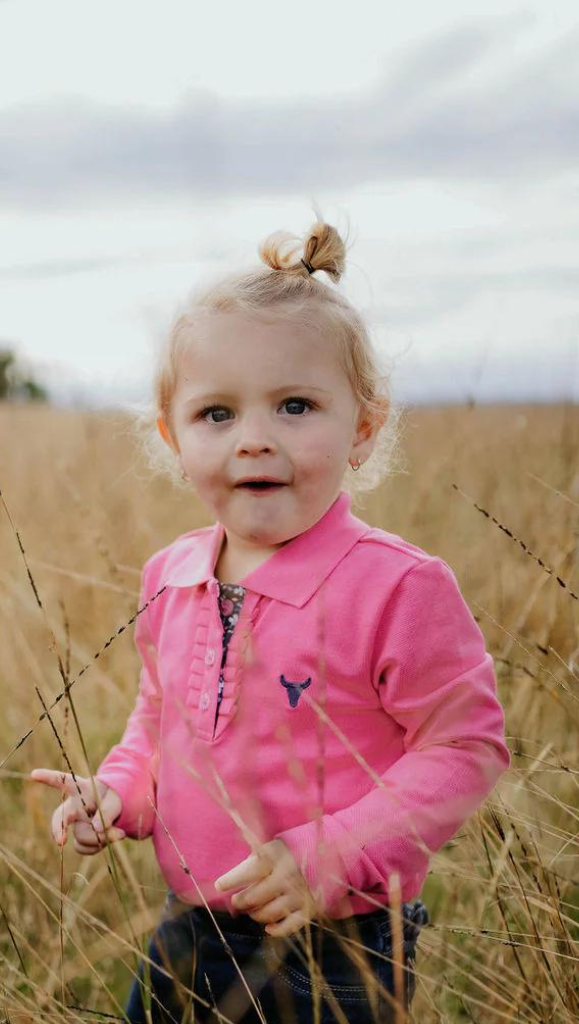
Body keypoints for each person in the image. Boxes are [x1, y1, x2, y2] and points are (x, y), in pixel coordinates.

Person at [32, 222, 510, 1023]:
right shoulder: (172, 574)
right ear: (172, 436)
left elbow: (465, 749)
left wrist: (331, 853)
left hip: (337, 947)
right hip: (187, 932)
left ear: (361, 427)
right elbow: (160, 723)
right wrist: (116, 793)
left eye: (295, 406)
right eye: (216, 414)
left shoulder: (398, 586)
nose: (254, 439)